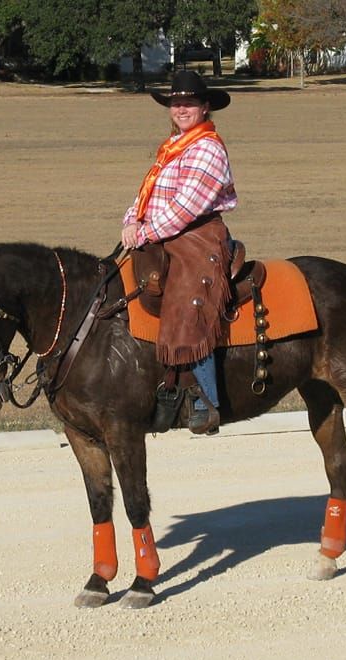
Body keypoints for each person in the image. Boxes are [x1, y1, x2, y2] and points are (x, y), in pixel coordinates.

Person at [120, 70, 237, 435]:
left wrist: (146, 232)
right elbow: (147, 195)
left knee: (189, 297)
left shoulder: (207, 147)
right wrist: (131, 222)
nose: (181, 108)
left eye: (189, 103)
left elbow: (187, 207)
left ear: (205, 108)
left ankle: (204, 398)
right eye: (176, 103)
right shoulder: (173, 146)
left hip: (199, 237)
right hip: (164, 234)